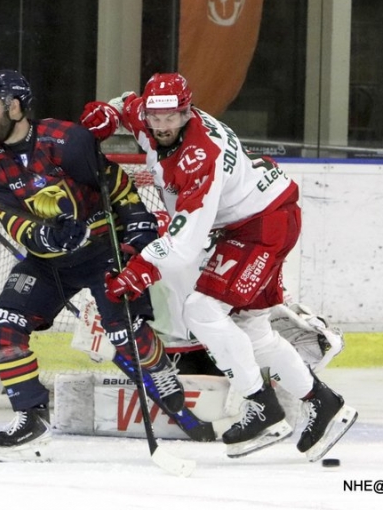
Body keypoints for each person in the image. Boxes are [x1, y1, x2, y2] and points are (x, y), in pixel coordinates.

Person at [80, 72, 358, 461]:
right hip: (254, 221)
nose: (161, 126)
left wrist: (138, 271)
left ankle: (261, 405)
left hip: (262, 226)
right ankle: (323, 402)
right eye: (155, 117)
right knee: (254, 333)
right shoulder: (148, 114)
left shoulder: (200, 158)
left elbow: (185, 243)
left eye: (171, 118)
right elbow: (126, 103)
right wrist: (109, 114)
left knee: (200, 310)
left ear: (187, 113)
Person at [0, 70, 213, 462]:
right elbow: (15, 223)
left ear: (15, 107)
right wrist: (47, 238)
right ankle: (30, 417)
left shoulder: (66, 141)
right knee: (3, 329)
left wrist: (138, 225)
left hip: (102, 249)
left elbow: (113, 182)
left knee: (125, 335)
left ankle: (159, 370)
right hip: (48, 263)